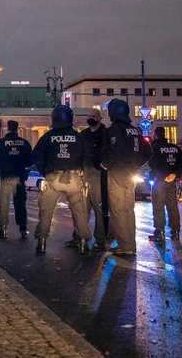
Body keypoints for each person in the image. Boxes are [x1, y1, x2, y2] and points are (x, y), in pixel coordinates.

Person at [33, 105, 91, 255]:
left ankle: (42, 241)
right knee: (80, 211)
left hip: (53, 177)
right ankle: (83, 241)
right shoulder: (79, 137)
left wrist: (44, 172)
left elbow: (37, 156)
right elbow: (87, 157)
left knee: (46, 211)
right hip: (74, 177)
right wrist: (82, 173)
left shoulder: (48, 136)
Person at [102, 98, 152, 256]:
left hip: (117, 172)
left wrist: (105, 165)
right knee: (129, 209)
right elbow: (148, 152)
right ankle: (131, 243)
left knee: (117, 209)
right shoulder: (135, 130)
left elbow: (112, 151)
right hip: (131, 173)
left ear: (113, 113)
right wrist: (135, 164)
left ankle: (125, 245)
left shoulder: (114, 130)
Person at [0, 120, 32, 240]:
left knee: (3, 204)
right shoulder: (24, 143)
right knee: (20, 204)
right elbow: (30, 161)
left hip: (5, 177)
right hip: (19, 177)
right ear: (17, 129)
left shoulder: (0, 143)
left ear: (8, 128)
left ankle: (2, 229)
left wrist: (3, 162)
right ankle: (23, 229)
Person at [148, 127, 182, 245]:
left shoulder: (154, 148)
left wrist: (161, 176)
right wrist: (175, 174)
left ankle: (159, 232)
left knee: (158, 206)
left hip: (159, 181)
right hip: (172, 181)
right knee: (172, 206)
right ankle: (175, 231)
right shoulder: (175, 148)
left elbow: (151, 164)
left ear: (155, 135)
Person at [78, 108, 108, 251]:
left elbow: (110, 152)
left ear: (99, 118)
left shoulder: (105, 134)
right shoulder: (83, 134)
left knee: (98, 208)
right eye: (88, 116)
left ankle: (100, 239)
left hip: (98, 174)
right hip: (84, 172)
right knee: (82, 208)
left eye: (93, 116)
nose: (90, 118)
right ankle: (80, 236)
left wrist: (103, 165)